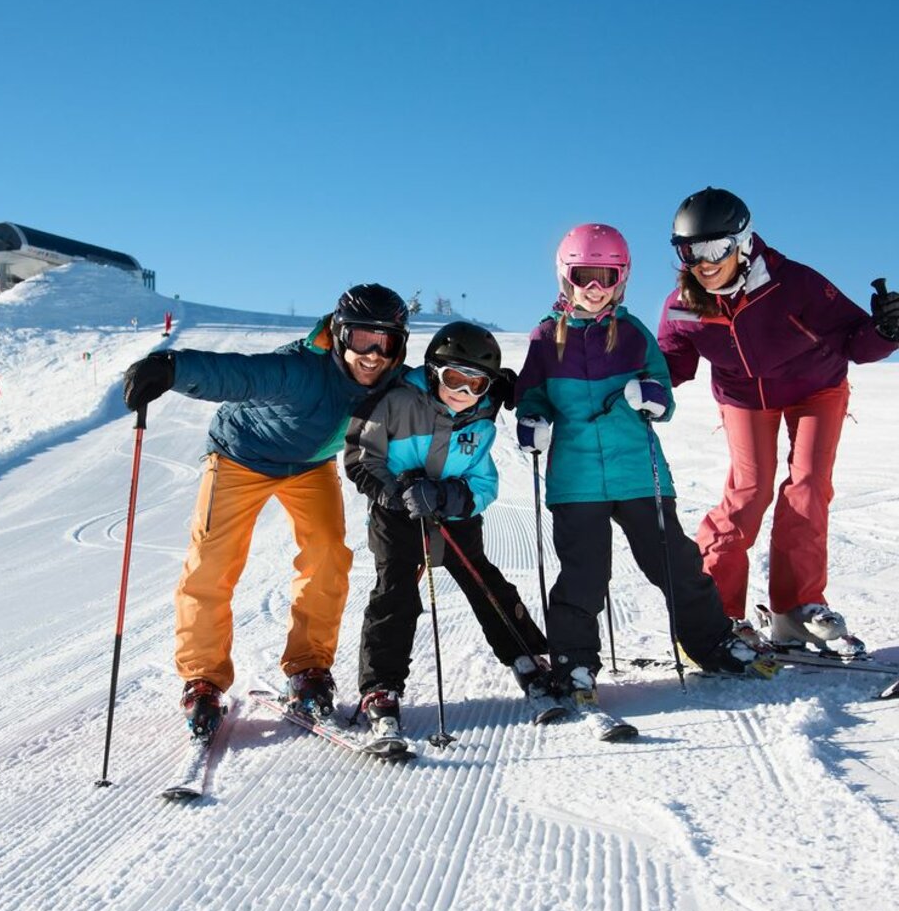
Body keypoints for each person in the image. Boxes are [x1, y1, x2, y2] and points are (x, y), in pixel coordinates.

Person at [122, 284, 409, 742]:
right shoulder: (298, 369)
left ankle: (309, 669)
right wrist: (172, 368)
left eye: (386, 342)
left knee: (329, 554)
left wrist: (493, 385)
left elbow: (442, 390)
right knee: (213, 561)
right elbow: (236, 374)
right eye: (361, 339)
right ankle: (203, 678)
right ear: (338, 334)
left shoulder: (396, 380)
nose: (373, 354)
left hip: (309, 467)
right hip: (240, 456)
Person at [514, 224, 774, 707]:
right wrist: (532, 420)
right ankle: (573, 662)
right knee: (584, 574)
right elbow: (531, 395)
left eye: (606, 278)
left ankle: (711, 643)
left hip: (639, 471)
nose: (595, 289)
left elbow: (661, 389)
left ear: (623, 279)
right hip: (576, 481)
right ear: (565, 278)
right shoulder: (546, 338)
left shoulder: (633, 334)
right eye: (584, 277)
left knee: (674, 562)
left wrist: (653, 396)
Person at [658, 187, 899, 653]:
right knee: (748, 493)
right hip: (745, 397)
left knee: (807, 485)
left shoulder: (796, 284)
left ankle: (797, 609)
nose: (704, 263)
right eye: (690, 251)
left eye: (715, 249)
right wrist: (635, 385)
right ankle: (717, 614)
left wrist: (887, 332)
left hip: (817, 389)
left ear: (743, 243)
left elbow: (856, 342)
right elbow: (672, 364)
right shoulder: (684, 305)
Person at [343, 321, 549, 740]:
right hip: (397, 514)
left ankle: (527, 658)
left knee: (484, 581)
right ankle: (380, 686)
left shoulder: (482, 420)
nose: (463, 392)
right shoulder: (398, 401)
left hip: (453, 514)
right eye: (454, 379)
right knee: (396, 591)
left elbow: (485, 482)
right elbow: (361, 456)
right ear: (434, 370)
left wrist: (450, 497)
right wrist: (397, 492)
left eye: (476, 384)